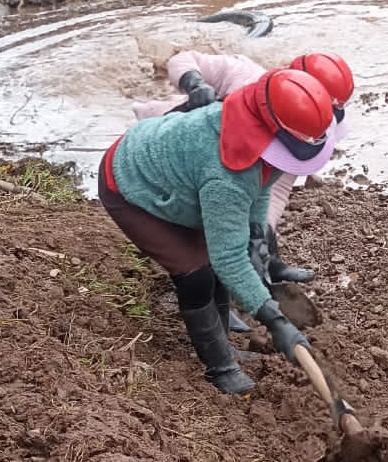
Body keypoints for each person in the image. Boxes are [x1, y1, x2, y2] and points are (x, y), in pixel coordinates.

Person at [98, 69, 335, 394]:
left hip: (180, 177)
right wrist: (274, 321)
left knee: (213, 258)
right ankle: (219, 367)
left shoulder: (253, 127)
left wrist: (256, 235)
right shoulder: (226, 173)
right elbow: (229, 259)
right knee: (196, 273)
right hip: (131, 185)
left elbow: (262, 184)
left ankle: (224, 344)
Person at [132, 48, 355, 307]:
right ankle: (212, 302)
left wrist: (262, 238)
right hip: (164, 149)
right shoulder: (244, 75)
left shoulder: (301, 139)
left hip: (217, 174)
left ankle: (255, 276)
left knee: (234, 218)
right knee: (207, 235)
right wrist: (195, 84)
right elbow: (179, 59)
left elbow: (276, 191)